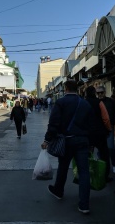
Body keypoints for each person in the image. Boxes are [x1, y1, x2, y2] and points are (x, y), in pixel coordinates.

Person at [41, 80, 92, 214]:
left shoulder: (61, 102)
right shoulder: (85, 104)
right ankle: (84, 204)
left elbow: (54, 123)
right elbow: (91, 124)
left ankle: (58, 190)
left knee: (63, 167)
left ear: (66, 88)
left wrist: (47, 139)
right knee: (84, 172)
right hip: (82, 141)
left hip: (66, 141)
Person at [85, 86, 112, 182]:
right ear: (94, 93)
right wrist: (109, 129)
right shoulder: (99, 102)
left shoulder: (83, 103)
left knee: (87, 155)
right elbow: (106, 118)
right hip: (100, 133)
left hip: (87, 133)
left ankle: (87, 175)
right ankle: (105, 175)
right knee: (104, 154)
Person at [96, 86, 115, 173]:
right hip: (100, 129)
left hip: (110, 127)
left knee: (110, 146)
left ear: (105, 92)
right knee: (101, 148)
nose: (100, 94)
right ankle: (103, 166)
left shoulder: (111, 102)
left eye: (101, 92)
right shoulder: (96, 102)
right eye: (98, 93)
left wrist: (112, 122)